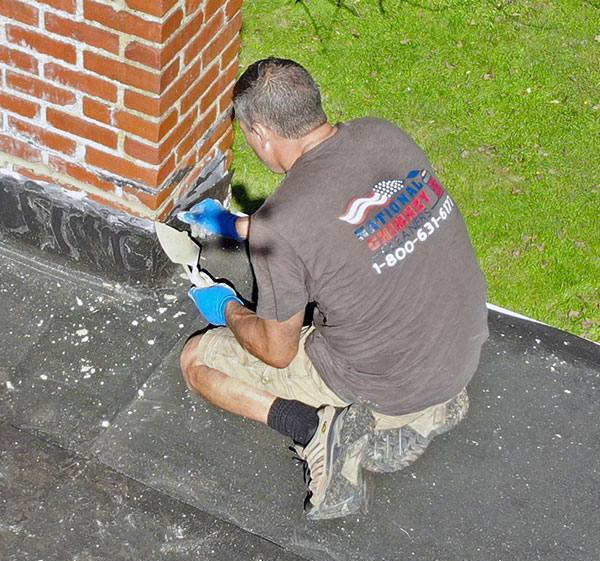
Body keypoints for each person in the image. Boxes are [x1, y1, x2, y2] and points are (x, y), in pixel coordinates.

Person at [178, 57, 488, 520]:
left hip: (387, 381)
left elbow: (276, 351)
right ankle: (428, 409)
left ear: (260, 132)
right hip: (458, 352)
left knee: (198, 359)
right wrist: (239, 226)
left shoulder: (281, 226)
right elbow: (354, 220)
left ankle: (315, 428)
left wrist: (227, 309)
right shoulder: (382, 135)